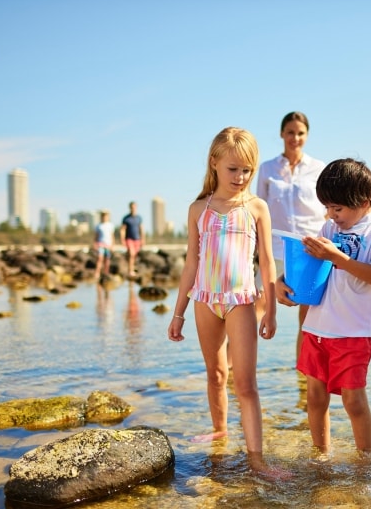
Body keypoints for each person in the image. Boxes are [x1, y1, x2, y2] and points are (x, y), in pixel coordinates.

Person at [167, 126, 282, 477]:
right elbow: (191, 263)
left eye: (247, 170)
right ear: (215, 163)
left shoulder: (256, 207)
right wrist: (178, 313)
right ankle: (220, 430)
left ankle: (256, 460)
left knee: (245, 384)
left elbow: (266, 261)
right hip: (204, 301)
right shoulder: (198, 209)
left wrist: (272, 310)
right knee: (215, 374)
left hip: (240, 302)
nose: (241, 176)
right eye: (234, 169)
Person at [276, 158, 371, 454]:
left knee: (353, 401)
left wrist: (338, 258)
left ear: (364, 201)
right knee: (315, 398)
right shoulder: (330, 228)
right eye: (327, 208)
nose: (331, 215)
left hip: (353, 331)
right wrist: (284, 282)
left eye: (337, 208)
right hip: (317, 326)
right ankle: (321, 455)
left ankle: (365, 463)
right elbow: (310, 267)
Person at [257, 111, 326, 361]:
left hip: (310, 250)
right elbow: (259, 209)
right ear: (281, 134)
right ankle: (232, 370)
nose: (295, 138)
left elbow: (327, 210)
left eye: (300, 133)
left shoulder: (319, 168)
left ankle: (303, 375)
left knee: (306, 318)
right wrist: (256, 249)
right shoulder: (266, 169)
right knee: (257, 306)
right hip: (275, 247)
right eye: (290, 132)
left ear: (306, 135)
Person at [120, 201, 145, 277]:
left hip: (137, 239)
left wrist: (143, 239)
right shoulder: (126, 218)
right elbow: (123, 229)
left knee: (134, 255)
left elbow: (141, 229)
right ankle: (130, 271)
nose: (133, 208)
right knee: (131, 253)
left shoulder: (139, 218)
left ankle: (132, 268)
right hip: (129, 239)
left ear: (136, 207)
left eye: (134, 207)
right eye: (132, 207)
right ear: (130, 208)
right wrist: (122, 239)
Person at [93, 210, 114, 281]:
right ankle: (97, 273)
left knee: (107, 260)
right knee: (100, 258)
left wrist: (112, 245)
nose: (104, 218)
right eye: (103, 216)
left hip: (108, 244)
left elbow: (112, 236)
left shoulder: (110, 225)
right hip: (100, 244)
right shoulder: (99, 226)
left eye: (106, 216)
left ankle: (106, 273)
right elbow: (96, 236)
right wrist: (95, 244)